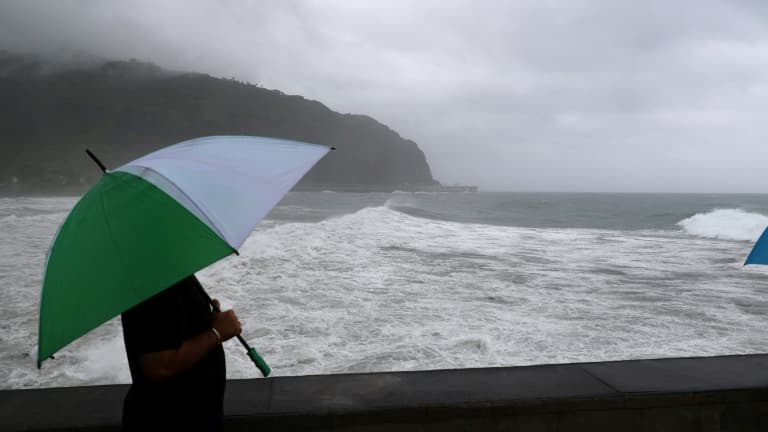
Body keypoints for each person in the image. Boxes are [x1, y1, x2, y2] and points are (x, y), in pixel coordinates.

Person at [120, 274, 241, 431]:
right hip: (171, 420)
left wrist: (207, 321)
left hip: (194, 417)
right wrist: (216, 333)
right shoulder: (155, 283)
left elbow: (173, 330)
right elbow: (159, 366)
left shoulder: (171, 274)